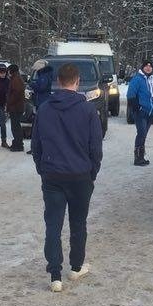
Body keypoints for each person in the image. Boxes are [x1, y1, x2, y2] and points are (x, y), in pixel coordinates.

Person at [31, 62, 103, 292]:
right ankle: (76, 266)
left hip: (52, 174)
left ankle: (54, 274)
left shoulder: (44, 109)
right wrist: (92, 171)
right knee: (78, 222)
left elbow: (36, 144)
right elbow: (96, 147)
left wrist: (42, 168)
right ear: (77, 81)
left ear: (58, 82)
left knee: (53, 224)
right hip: (80, 174)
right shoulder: (88, 110)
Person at [126, 59, 153, 166]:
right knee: (141, 133)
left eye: (150, 66)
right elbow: (131, 95)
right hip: (141, 113)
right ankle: (138, 158)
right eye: (146, 66)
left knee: (143, 135)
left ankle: (141, 157)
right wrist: (138, 108)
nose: (148, 67)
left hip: (150, 113)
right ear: (142, 67)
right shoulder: (137, 79)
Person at [6, 63, 26, 152]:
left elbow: (16, 92)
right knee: (16, 126)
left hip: (16, 107)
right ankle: (17, 143)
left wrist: (10, 102)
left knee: (15, 127)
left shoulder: (16, 79)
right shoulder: (16, 78)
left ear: (11, 71)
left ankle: (18, 145)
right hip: (17, 107)